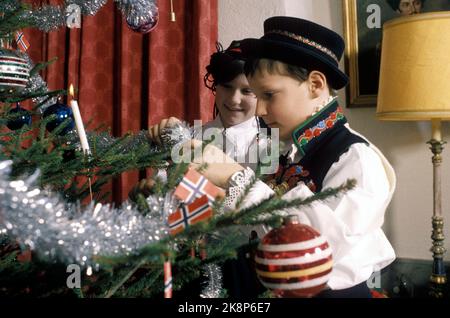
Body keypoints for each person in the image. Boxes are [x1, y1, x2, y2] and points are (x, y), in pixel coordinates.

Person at [191, 16, 396, 298]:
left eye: (269, 95)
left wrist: (236, 177)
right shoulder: (288, 151)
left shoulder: (356, 157)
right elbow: (259, 227)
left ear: (314, 84)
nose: (259, 109)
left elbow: (313, 243)